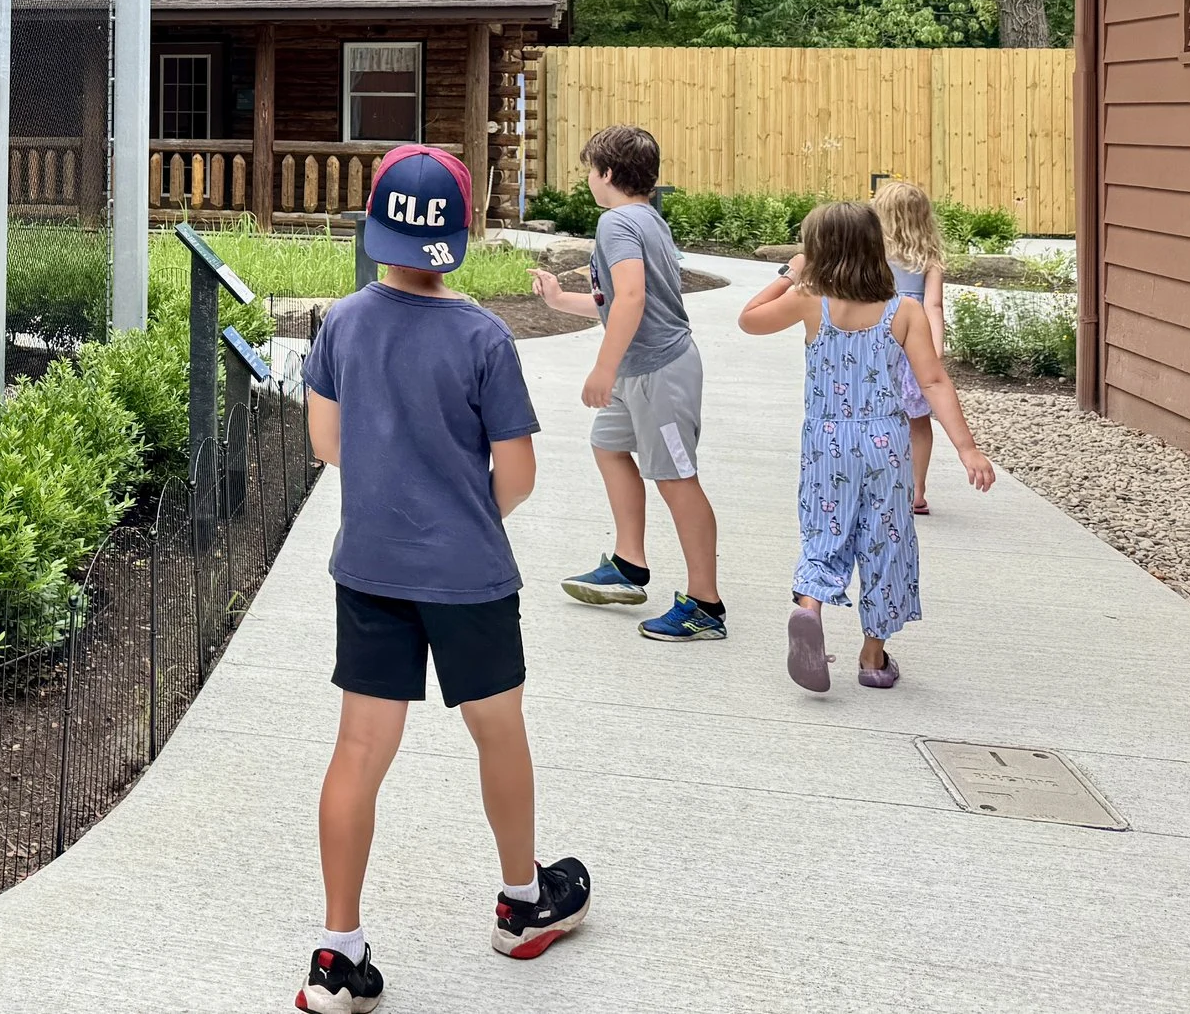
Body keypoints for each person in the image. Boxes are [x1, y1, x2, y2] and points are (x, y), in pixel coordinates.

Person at [299, 144, 592, 1009]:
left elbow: (327, 444)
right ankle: (524, 902)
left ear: (376, 224)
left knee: (358, 751)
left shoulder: (344, 323)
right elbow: (519, 473)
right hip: (469, 578)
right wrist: (464, 514)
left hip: (370, 569)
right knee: (499, 733)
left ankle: (337, 955)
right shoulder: (483, 337)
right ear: (460, 235)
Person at [737, 201, 996, 691]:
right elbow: (933, 381)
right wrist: (967, 449)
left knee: (824, 531)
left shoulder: (810, 300)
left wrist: (791, 273)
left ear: (818, 252)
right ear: (876, 248)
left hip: (827, 441)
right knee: (886, 539)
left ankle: (810, 606)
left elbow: (748, 319)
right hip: (884, 443)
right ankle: (873, 659)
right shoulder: (905, 311)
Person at [530, 125, 725, 642]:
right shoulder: (646, 218)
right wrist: (559, 301)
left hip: (659, 370)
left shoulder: (615, 222)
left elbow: (633, 298)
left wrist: (603, 367)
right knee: (610, 446)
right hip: (641, 369)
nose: (588, 180)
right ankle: (629, 564)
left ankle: (705, 605)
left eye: (589, 170)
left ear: (608, 173)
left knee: (676, 478)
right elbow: (618, 300)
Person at [872, 180, 947, 515]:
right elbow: (934, 305)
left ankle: (879, 482)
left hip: (879, 340)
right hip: (915, 343)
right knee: (917, 420)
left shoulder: (873, 253)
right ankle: (917, 489)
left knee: (876, 415)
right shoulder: (930, 258)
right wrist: (935, 348)